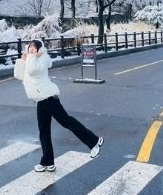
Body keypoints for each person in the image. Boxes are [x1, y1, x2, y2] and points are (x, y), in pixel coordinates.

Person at [19, 39, 103, 172]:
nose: (31, 48)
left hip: (49, 98)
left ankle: (93, 141)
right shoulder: (31, 60)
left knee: (66, 121)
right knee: (44, 131)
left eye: (35, 47)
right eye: (30, 46)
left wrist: (30, 57)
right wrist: (22, 60)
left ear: (40, 49)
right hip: (40, 100)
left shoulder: (42, 59)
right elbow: (19, 75)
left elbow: (31, 71)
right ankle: (47, 162)